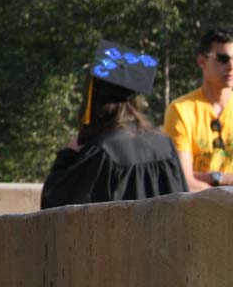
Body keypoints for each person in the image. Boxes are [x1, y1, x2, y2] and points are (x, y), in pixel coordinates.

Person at [41, 40, 186, 209]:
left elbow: (54, 204)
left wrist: (67, 155)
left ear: (93, 101)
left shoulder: (102, 153)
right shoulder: (165, 146)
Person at [163, 27, 233, 191]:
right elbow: (183, 181)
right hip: (195, 213)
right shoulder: (180, 110)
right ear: (202, 61)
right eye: (223, 58)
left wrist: (213, 178)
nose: (231, 66)